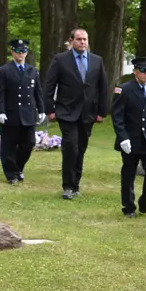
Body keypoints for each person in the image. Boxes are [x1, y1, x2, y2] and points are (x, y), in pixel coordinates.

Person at [44, 28, 109, 200]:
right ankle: (67, 186)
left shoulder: (97, 61)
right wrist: (49, 109)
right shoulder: (61, 60)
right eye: (79, 39)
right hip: (67, 111)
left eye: (85, 39)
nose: (82, 42)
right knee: (70, 146)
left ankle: (76, 184)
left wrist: (102, 111)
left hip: (88, 113)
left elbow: (103, 87)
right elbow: (49, 86)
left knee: (80, 148)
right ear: (71, 40)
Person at [112, 56, 146, 218]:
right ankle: (129, 206)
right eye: (143, 71)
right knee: (129, 173)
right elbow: (117, 117)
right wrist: (123, 138)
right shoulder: (124, 89)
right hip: (131, 139)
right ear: (135, 72)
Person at [0, 39, 44, 184]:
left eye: (24, 51)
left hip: (28, 114)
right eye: (18, 51)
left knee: (29, 143)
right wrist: (0, 111)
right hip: (11, 113)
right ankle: (11, 174)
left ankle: (18, 168)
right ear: (12, 52)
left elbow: (37, 92)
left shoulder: (32, 71)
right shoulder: (4, 70)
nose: (21, 54)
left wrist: (42, 110)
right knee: (8, 146)